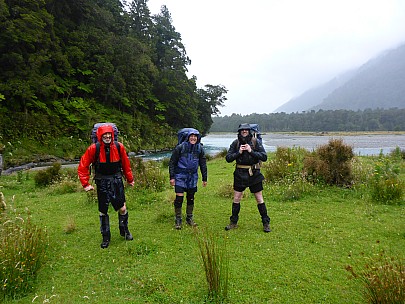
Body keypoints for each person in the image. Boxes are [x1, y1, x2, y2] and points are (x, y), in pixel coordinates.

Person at [78, 124, 135, 248]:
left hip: (116, 180)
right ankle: (105, 237)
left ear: (112, 135)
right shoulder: (94, 149)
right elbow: (83, 166)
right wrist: (85, 184)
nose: (107, 136)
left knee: (122, 208)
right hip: (102, 182)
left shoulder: (119, 147)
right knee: (103, 211)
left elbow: (126, 164)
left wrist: (130, 179)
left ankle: (124, 231)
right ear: (100, 136)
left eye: (109, 134)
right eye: (105, 135)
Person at [225, 123, 271, 232]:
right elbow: (228, 158)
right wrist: (239, 152)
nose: (244, 131)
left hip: (254, 173)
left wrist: (251, 151)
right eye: (242, 130)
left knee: (259, 198)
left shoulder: (256, 142)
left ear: (249, 131)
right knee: (236, 198)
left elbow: (264, 157)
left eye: (246, 130)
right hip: (239, 174)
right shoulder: (235, 143)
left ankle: (266, 223)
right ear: (239, 132)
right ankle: (233, 222)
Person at [169, 128, 207, 229]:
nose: (193, 138)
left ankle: (189, 218)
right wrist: (172, 177)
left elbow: (203, 164)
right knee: (179, 198)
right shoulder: (180, 148)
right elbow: (172, 162)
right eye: (191, 136)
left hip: (193, 177)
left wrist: (204, 178)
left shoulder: (200, 149)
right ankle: (178, 219)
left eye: (195, 136)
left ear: (198, 138)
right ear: (188, 137)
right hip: (180, 175)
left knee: (190, 197)